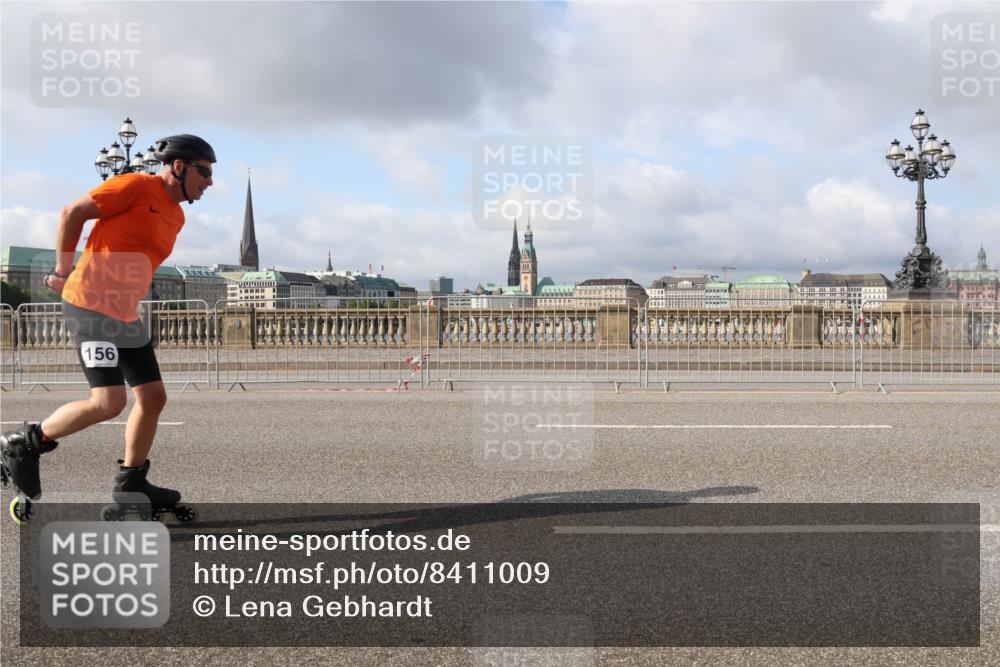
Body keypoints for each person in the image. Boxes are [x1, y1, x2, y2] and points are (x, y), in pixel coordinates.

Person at [0, 135, 215, 518]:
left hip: (124, 314)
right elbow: (72, 213)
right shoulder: (134, 185)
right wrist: (63, 271)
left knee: (153, 397)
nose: (210, 181)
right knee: (109, 402)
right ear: (178, 166)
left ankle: (131, 482)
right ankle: (27, 442)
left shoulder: (177, 216)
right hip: (90, 305)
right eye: (204, 171)